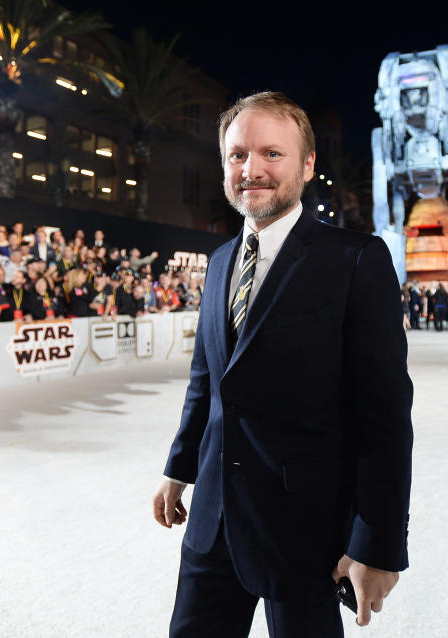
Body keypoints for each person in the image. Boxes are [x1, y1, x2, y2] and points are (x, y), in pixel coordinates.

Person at [153, 91, 412, 638]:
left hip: (306, 532)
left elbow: (385, 417)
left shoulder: (356, 260)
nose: (252, 169)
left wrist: (378, 543)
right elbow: (208, 382)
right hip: (212, 524)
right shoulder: (220, 261)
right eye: (238, 155)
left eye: (272, 154)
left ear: (308, 163)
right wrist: (179, 468)